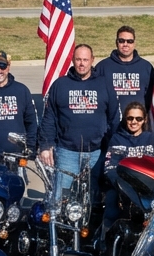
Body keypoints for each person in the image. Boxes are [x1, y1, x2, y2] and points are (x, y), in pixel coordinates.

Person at [38, 44, 121, 197]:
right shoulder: (60, 85)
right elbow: (49, 119)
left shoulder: (104, 84)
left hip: (97, 153)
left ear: (92, 60)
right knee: (60, 198)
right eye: (78, 60)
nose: (82, 64)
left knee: (94, 199)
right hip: (67, 152)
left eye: (85, 60)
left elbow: (114, 118)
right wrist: (45, 146)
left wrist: (114, 147)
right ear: (72, 60)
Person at [101, 102, 154, 238]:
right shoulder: (117, 139)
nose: (134, 122)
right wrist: (124, 187)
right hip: (122, 186)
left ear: (144, 120)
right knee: (111, 208)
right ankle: (105, 239)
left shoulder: (153, 139)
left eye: (138, 118)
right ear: (125, 119)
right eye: (130, 118)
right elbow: (110, 168)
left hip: (149, 187)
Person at [93, 25, 154, 108]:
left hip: (138, 116)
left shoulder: (147, 68)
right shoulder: (102, 67)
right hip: (110, 116)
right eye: (121, 41)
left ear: (134, 43)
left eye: (129, 41)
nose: (125, 44)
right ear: (116, 42)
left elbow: (152, 98)